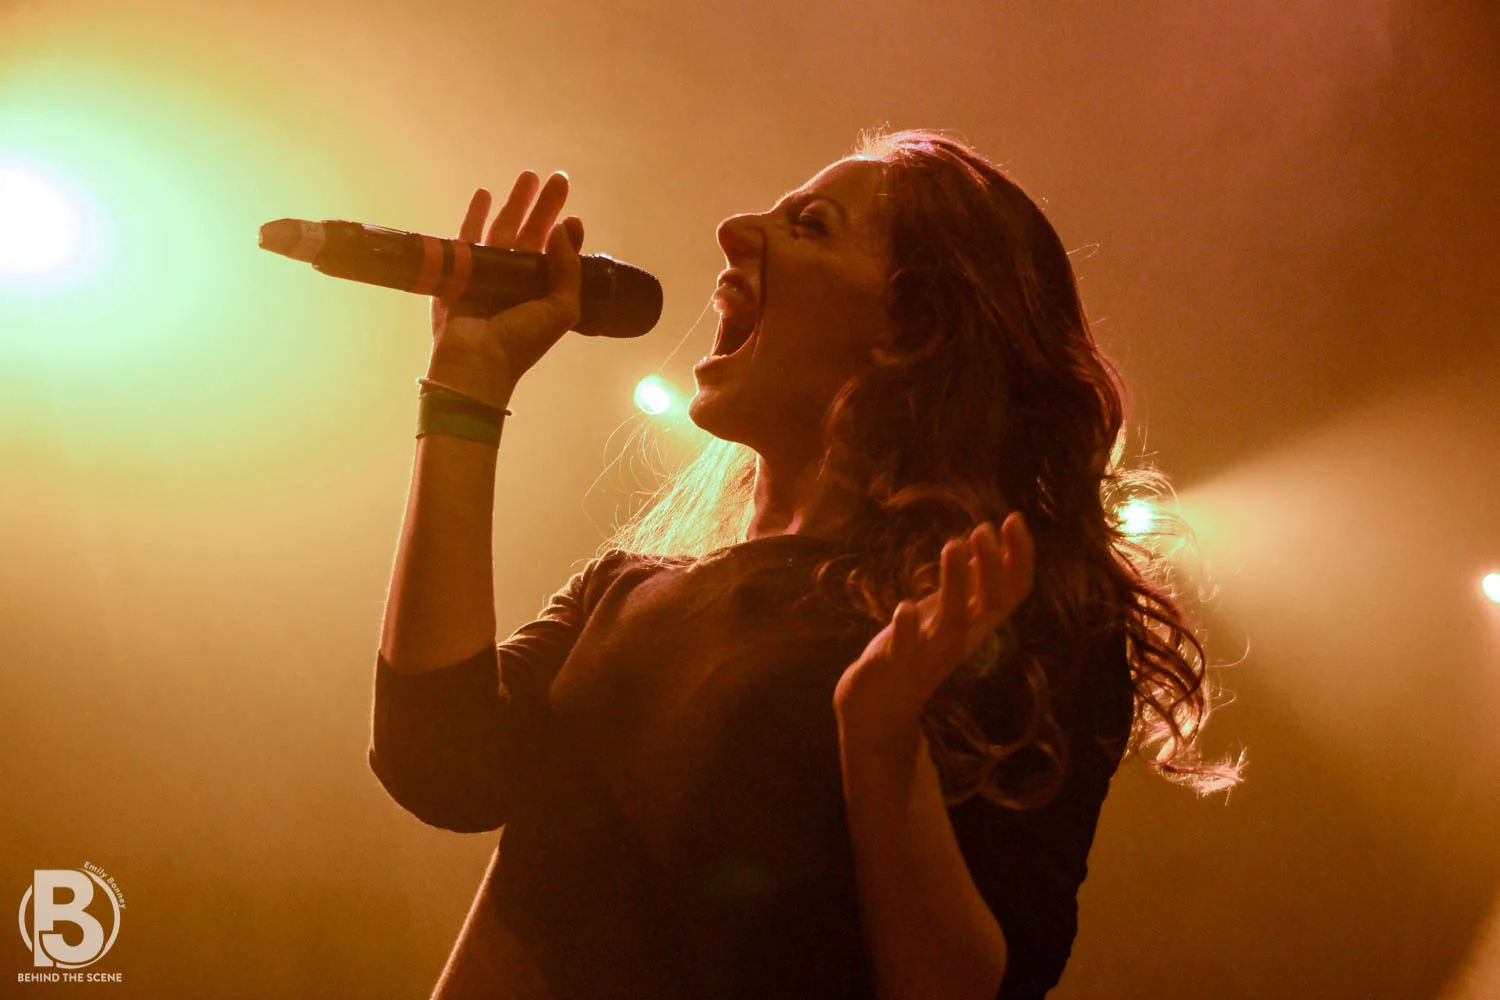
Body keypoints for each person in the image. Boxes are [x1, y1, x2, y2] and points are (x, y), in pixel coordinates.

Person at [368, 129, 1240, 1000]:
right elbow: (437, 766)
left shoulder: (985, 619)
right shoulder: (623, 592)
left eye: (809, 224)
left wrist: (881, 738)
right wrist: (467, 388)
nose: (733, 230)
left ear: (913, 324)